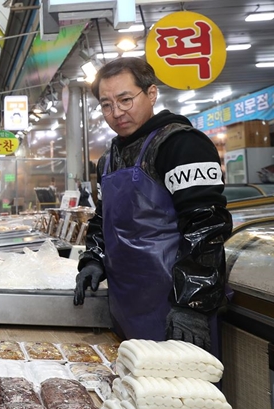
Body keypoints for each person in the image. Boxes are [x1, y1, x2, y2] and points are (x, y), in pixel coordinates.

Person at [73, 57, 232, 355]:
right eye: (106, 105)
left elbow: (205, 226)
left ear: (151, 94)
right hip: (126, 303)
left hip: (174, 308)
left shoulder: (182, 145)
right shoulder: (108, 159)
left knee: (182, 398)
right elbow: (104, 217)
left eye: (125, 99)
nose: (116, 112)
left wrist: (192, 304)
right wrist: (93, 258)